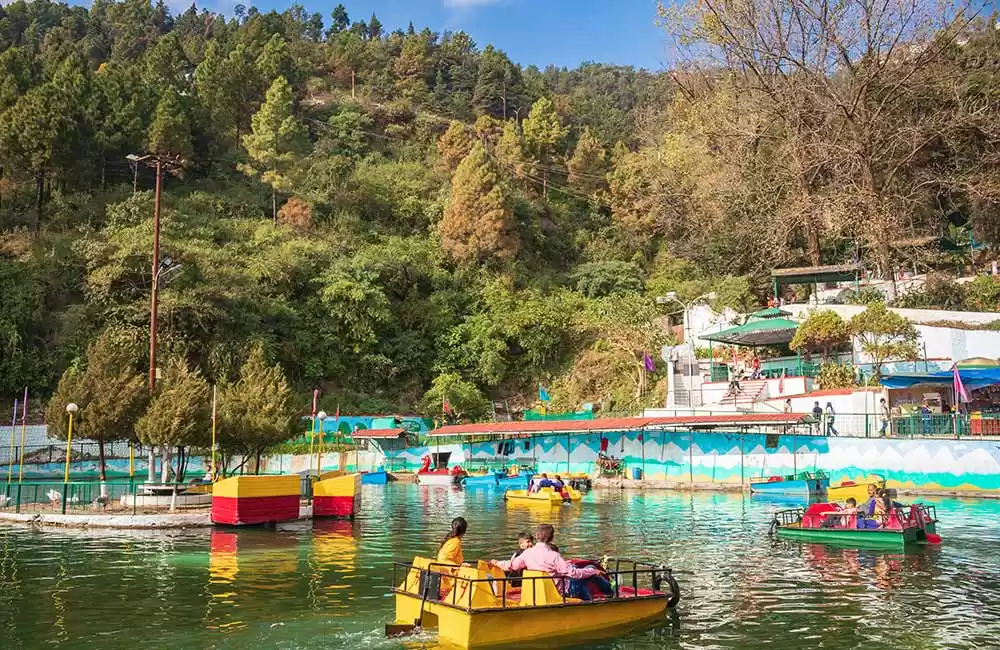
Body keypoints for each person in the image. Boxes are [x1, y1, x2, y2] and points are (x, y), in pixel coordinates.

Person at [489, 524, 604, 601]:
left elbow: (511, 565)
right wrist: (592, 571)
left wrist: (496, 562)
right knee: (586, 574)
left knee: (583, 575)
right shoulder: (554, 555)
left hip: (536, 589)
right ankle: (599, 600)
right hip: (558, 590)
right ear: (552, 538)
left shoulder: (527, 553)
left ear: (537, 536)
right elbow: (572, 573)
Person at [437, 517, 468, 595]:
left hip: (446, 573)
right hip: (450, 577)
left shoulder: (450, 539)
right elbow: (444, 560)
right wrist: (459, 566)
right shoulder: (455, 542)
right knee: (487, 577)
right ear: (464, 531)